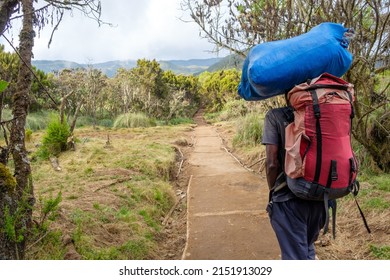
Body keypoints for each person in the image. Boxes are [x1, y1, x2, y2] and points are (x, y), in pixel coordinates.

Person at [262, 99, 326, 260]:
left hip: (289, 200)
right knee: (307, 248)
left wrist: (273, 193)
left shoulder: (274, 116)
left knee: (294, 257)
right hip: (320, 198)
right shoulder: (323, 113)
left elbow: (271, 164)